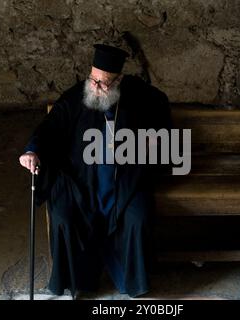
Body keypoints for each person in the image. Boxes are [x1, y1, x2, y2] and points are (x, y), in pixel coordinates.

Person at [19, 43, 172, 298]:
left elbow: (161, 109)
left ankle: (130, 280)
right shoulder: (76, 97)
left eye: (104, 83)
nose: (97, 87)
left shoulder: (137, 94)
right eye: (93, 79)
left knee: (138, 217)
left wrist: (156, 137)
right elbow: (50, 127)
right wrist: (32, 150)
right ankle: (76, 280)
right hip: (81, 182)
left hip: (125, 181)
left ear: (119, 80)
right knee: (63, 216)